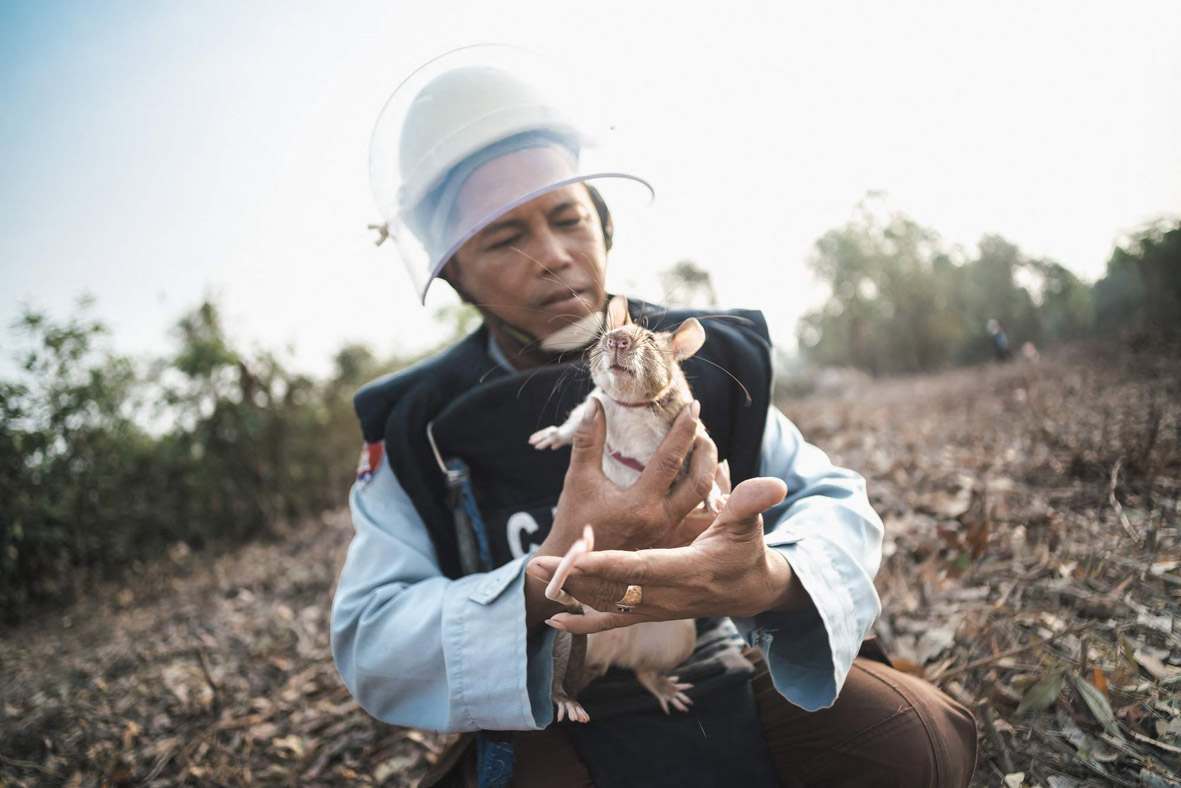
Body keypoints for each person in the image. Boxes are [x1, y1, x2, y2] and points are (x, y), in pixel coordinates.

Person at [331, 47, 977, 787]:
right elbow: (369, 636)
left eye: (567, 218)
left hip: (717, 664)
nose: (551, 256)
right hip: (550, 709)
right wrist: (551, 577)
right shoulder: (418, 427)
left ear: (602, 223)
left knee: (910, 744)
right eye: (504, 237)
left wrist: (765, 578)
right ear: (453, 268)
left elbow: (833, 503)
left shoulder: (696, 359)